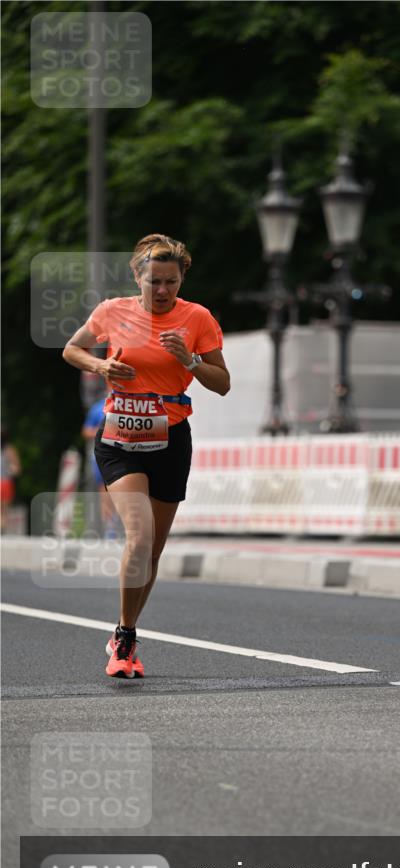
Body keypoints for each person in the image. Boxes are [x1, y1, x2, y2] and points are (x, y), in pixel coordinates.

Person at [63, 234, 231, 677]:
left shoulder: (197, 318)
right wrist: (100, 365)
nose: (162, 291)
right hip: (120, 439)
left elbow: (222, 383)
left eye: (171, 282)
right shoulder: (112, 311)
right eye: (154, 281)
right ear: (138, 276)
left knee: (153, 552)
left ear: (181, 280)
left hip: (171, 439)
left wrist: (191, 361)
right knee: (137, 537)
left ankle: (127, 627)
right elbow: (71, 349)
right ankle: (124, 639)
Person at [82, 397, 119, 538]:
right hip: (100, 456)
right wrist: (103, 431)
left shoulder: (126, 405)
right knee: (104, 492)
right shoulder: (98, 407)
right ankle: (110, 529)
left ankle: (118, 526)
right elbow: (85, 431)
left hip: (120, 455)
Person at [0, 427, 21, 534]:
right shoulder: (10, 450)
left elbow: (16, 469)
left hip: (5, 482)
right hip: (5, 482)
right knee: (3, 509)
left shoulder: (9, 450)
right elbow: (17, 469)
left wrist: (13, 470)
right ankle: (2, 529)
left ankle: (2, 529)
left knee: (3, 509)